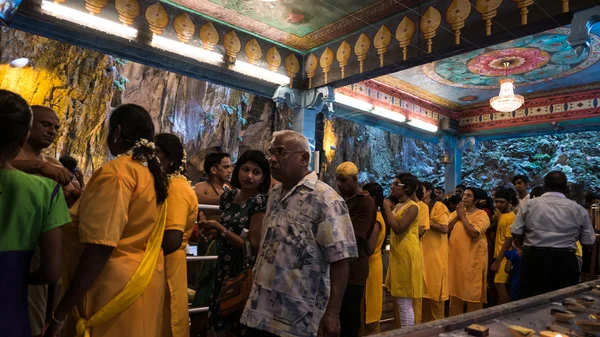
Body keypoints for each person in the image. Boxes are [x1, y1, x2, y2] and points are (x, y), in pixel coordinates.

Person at [45, 104, 169, 337]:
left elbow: (100, 247)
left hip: (110, 289)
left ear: (117, 132)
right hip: (142, 281)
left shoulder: (118, 173)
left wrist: (60, 313)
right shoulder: (150, 174)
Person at [240, 130, 357, 337]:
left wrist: (332, 313)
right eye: (271, 153)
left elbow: (341, 260)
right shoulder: (275, 193)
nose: (273, 159)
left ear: (304, 158)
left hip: (299, 318)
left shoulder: (326, 199)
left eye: (281, 152)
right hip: (261, 310)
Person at [0, 90, 71, 337]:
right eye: (45, 124)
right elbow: (52, 271)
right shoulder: (44, 185)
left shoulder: (52, 164)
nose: (52, 131)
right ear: (24, 134)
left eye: (56, 127)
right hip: (21, 270)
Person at [199, 150, 270, 337]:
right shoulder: (228, 197)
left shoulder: (260, 202)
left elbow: (253, 246)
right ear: (238, 170)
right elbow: (225, 231)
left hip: (243, 271)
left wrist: (221, 230)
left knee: (235, 323)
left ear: (263, 178)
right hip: (223, 267)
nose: (249, 176)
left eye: (256, 172)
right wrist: (211, 232)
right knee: (216, 321)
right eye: (245, 169)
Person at [511, 171, 595, 299]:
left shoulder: (529, 205)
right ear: (566, 189)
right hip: (565, 261)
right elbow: (589, 241)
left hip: (534, 259)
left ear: (544, 187)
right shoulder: (578, 209)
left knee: (530, 303)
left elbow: (516, 231)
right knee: (564, 302)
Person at [155, 133, 199, 337]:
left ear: (170, 158)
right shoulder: (167, 185)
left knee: (166, 317)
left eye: (156, 154)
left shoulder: (176, 188)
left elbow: (171, 239)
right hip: (162, 261)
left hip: (167, 263)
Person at [335, 162, 376, 337]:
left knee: (349, 319)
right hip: (340, 266)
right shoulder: (344, 199)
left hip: (354, 267)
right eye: (338, 180)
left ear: (354, 179)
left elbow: (352, 234)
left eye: (343, 180)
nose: (339, 184)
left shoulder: (364, 202)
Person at [382, 173, 422, 328]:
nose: (392, 186)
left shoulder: (413, 207)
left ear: (407, 188)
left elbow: (399, 228)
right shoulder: (399, 206)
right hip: (399, 253)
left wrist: (387, 210)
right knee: (400, 300)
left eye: (396, 184)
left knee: (404, 301)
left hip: (407, 254)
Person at [448, 187, 490, 316]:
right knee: (455, 295)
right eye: (464, 195)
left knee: (473, 296)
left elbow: (474, 233)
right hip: (455, 261)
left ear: (476, 200)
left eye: (469, 196)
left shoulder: (481, 215)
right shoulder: (457, 212)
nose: (464, 197)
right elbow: (447, 228)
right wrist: (459, 215)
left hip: (473, 261)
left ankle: (475, 327)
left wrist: (463, 217)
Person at [420, 182, 450, 323]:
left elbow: (445, 228)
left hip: (435, 255)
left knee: (435, 296)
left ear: (429, 192)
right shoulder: (418, 206)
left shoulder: (439, 207)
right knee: (422, 297)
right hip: (422, 254)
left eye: (422, 190)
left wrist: (427, 221)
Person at [360, 183, 386, 336]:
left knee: (370, 307)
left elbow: (370, 248)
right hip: (369, 263)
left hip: (372, 264)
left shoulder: (376, 218)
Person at [491, 187, 518, 304]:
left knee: (499, 284)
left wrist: (498, 260)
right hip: (498, 254)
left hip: (504, 256)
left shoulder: (511, 217)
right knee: (497, 285)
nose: (498, 204)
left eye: (501, 202)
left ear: (509, 202)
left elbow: (508, 240)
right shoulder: (500, 215)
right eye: (496, 201)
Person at [194, 152, 232, 220]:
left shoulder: (227, 189)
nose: (230, 171)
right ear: (214, 170)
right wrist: (227, 199)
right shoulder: (201, 187)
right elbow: (196, 198)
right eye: (226, 167)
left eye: (230, 167)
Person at [412, 182, 430, 324]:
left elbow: (421, 230)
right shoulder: (401, 206)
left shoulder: (422, 207)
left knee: (414, 296)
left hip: (415, 251)